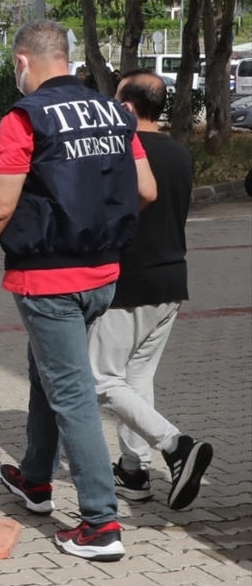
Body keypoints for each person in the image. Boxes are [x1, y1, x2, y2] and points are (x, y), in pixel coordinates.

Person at [0, 19, 157, 562]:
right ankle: (36, 477)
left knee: (73, 393)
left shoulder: (25, 117)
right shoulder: (115, 111)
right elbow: (147, 190)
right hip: (104, 275)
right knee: (48, 368)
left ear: (22, 61)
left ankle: (100, 524)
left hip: (49, 280)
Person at [90, 70, 212, 510]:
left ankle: (175, 445)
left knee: (100, 378)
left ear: (126, 107)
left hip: (130, 281)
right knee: (136, 378)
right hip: (171, 280)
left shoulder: (124, 151)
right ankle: (133, 470)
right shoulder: (180, 153)